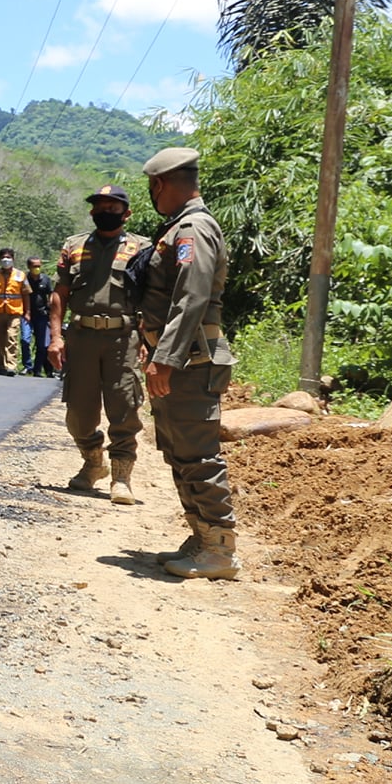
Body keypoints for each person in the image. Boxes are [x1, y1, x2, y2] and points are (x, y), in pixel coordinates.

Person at [135, 147, 240, 580]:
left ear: (159, 184)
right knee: (179, 451)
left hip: (191, 362)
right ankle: (201, 535)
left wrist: (167, 357)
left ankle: (219, 548)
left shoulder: (193, 228)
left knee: (197, 453)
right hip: (182, 359)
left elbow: (191, 298)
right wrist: (154, 346)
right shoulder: (180, 227)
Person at [46, 188, 151, 502]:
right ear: (91, 212)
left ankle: (121, 479)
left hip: (125, 338)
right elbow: (59, 295)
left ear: (126, 213)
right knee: (78, 414)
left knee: (124, 407)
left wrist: (150, 342)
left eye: (112, 206)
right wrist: (55, 337)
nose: (104, 210)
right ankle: (93, 462)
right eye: (99, 206)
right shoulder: (74, 246)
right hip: (82, 338)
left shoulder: (142, 248)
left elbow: (153, 297)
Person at [22, 257, 56, 378]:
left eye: (39, 266)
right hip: (26, 315)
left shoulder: (45, 279)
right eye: (34, 266)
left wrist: (51, 305)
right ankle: (27, 366)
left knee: (42, 345)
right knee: (25, 340)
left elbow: (51, 293)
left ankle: (37, 370)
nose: (37, 268)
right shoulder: (24, 279)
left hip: (42, 316)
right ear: (29, 267)